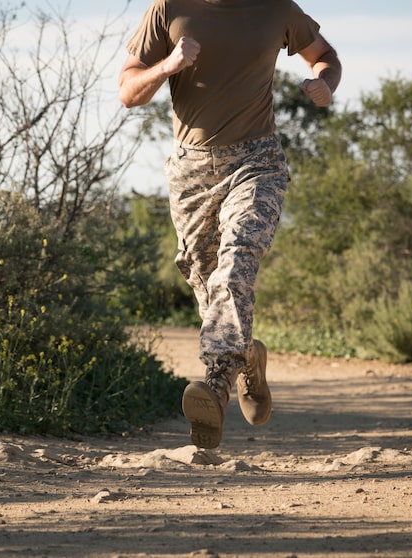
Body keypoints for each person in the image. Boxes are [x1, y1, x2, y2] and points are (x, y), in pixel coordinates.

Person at [118, 0, 341, 449]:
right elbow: (128, 91)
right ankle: (248, 357)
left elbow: (325, 56)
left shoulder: (275, 8)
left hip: (257, 160)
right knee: (207, 283)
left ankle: (216, 385)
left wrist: (324, 83)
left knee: (237, 257)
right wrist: (169, 64)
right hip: (191, 169)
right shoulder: (168, 9)